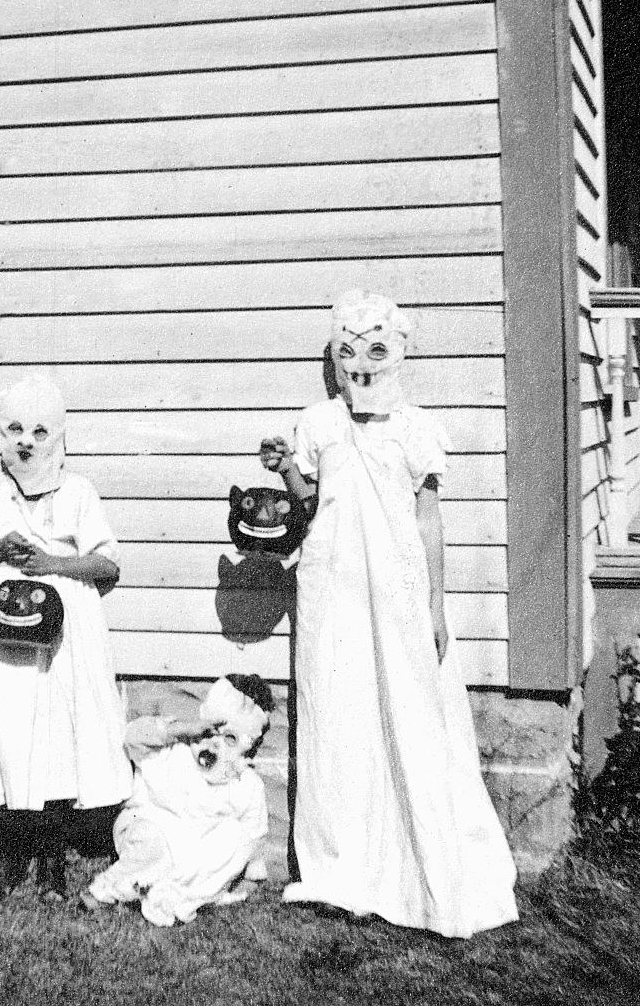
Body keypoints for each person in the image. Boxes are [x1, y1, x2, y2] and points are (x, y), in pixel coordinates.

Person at [259, 290, 518, 938]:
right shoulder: (318, 423)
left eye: (375, 350)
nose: (362, 366)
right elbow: (311, 501)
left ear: (397, 351)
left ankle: (413, 866)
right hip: (333, 591)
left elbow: (428, 521)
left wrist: (434, 603)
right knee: (338, 720)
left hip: (398, 591)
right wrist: (285, 466)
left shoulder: (415, 429)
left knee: (410, 715)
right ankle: (340, 870)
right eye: (347, 352)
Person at [0, 375, 132, 900]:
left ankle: (51, 863)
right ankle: (8, 861)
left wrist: (51, 562)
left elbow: (107, 562)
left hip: (65, 639)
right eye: (14, 430)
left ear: (57, 436)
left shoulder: (78, 491)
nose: (25, 442)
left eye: (38, 431)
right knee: (7, 735)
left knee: (57, 741)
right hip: (6, 642)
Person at [81, 674, 274, 926]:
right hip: (151, 828)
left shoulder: (245, 784)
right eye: (210, 732)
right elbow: (132, 737)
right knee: (154, 845)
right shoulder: (174, 751)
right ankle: (107, 890)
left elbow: (253, 834)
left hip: (193, 855)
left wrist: (249, 879)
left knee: (235, 836)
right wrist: (180, 729)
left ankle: (172, 895)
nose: (215, 744)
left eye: (230, 740)